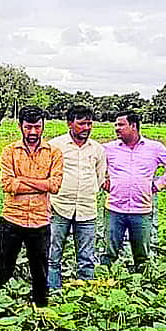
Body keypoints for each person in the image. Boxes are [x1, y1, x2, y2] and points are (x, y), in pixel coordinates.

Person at [0, 106, 63, 307]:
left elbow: (54, 186)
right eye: (28, 127)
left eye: (37, 127)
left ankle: (40, 309)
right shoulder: (9, 151)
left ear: (43, 126)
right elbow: (8, 185)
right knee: (4, 268)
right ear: (20, 126)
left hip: (40, 221)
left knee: (40, 271)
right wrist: (40, 184)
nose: (33, 132)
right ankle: (1, 308)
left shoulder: (54, 153)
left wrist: (23, 179)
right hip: (11, 219)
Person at [103, 110, 166, 273]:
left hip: (142, 209)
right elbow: (93, 165)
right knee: (109, 251)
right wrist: (102, 181)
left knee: (142, 253)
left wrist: (158, 184)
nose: (116, 128)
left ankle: (141, 284)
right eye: (116, 125)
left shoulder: (154, 148)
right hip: (114, 208)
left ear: (133, 126)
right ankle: (105, 280)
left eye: (121, 125)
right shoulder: (108, 149)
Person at [47, 105, 108, 289]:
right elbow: (46, 174)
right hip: (59, 207)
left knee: (87, 256)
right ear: (69, 124)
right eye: (82, 124)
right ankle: (53, 291)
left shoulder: (97, 149)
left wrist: (87, 192)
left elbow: (99, 176)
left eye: (89, 124)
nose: (87, 128)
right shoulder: (55, 145)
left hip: (87, 209)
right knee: (53, 254)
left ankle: (84, 294)